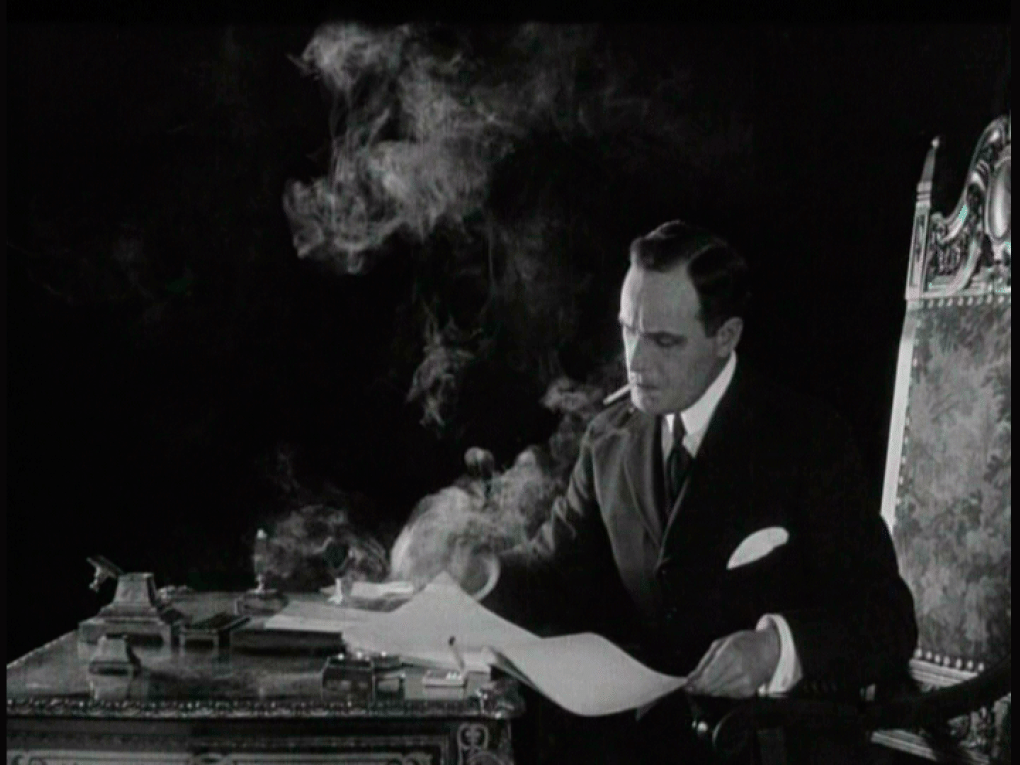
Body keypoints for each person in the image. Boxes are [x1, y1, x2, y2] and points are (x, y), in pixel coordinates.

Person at [454, 220, 918, 763]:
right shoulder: (609, 439)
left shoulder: (807, 440)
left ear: (727, 337)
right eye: (628, 330)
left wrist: (774, 648)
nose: (636, 361)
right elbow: (553, 576)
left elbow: (888, 620)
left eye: (664, 341)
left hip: (771, 747)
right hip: (646, 748)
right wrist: (472, 572)